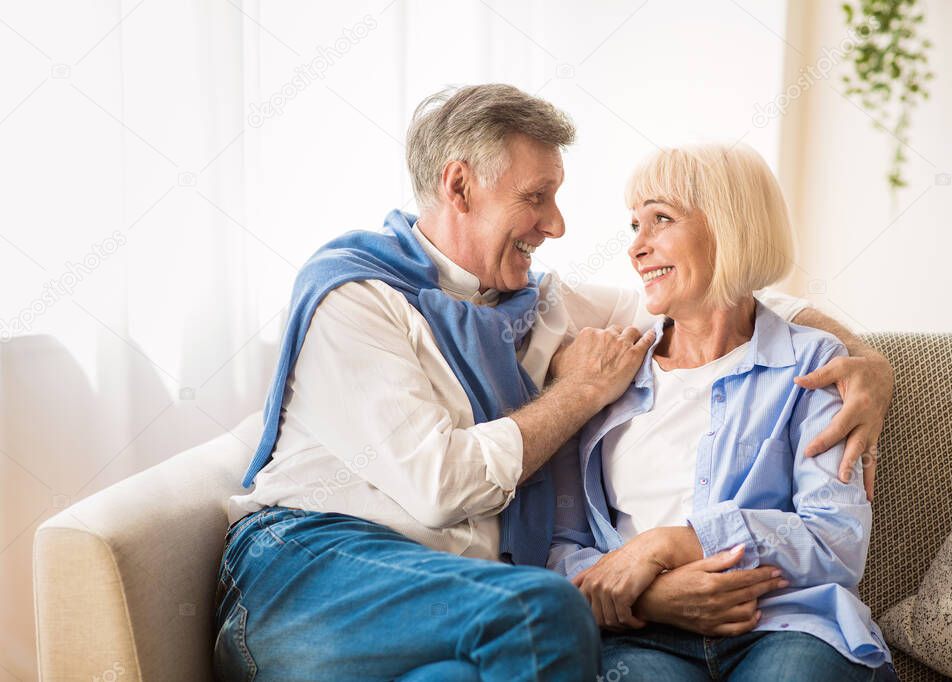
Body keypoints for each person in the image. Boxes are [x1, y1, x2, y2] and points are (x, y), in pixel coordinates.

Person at [214, 84, 893, 681]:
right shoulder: (356, 296)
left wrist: (864, 360)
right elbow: (441, 485)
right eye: (535, 198)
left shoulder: (538, 305)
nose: (558, 225)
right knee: (544, 612)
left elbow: (722, 298)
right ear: (458, 187)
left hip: (452, 603)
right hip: (316, 568)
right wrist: (576, 396)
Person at [548, 143, 899, 681]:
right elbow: (562, 546)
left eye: (660, 219)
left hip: (787, 623)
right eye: (634, 226)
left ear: (728, 227)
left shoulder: (813, 364)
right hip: (641, 636)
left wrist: (672, 543)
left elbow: (836, 541)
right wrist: (651, 595)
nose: (636, 248)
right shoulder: (606, 371)